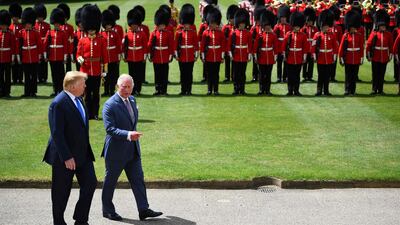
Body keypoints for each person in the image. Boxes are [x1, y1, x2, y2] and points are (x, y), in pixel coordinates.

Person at [101, 74, 162, 221]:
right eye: (124, 87)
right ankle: (107, 210)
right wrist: (128, 134)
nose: (127, 90)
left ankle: (143, 209)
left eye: (129, 87)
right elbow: (110, 129)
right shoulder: (110, 105)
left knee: (138, 179)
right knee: (110, 182)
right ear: (117, 86)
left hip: (133, 150)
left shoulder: (132, 100)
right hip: (116, 151)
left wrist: (131, 136)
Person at [43, 71, 97, 225]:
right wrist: (67, 156)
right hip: (64, 156)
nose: (85, 86)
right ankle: (58, 221)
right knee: (61, 192)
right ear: (73, 86)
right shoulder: (58, 104)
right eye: (82, 83)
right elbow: (57, 133)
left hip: (83, 153)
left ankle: (81, 219)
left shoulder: (79, 99)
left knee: (90, 183)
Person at [76, 4, 108, 120]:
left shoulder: (101, 40)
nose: (91, 30)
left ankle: (95, 113)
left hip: (96, 71)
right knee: (86, 94)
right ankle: (88, 113)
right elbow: (78, 54)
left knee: (96, 94)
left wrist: (104, 71)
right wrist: (80, 59)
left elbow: (105, 57)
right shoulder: (82, 40)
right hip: (85, 70)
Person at [366, 9, 393, 95]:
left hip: (384, 56)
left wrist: (390, 55)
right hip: (376, 56)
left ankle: (380, 90)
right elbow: (369, 45)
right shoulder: (374, 34)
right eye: (382, 26)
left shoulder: (388, 34)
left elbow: (390, 46)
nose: (383, 28)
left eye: (384, 26)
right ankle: (374, 89)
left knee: (382, 74)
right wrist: (368, 55)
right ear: (379, 26)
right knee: (375, 74)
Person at [312, 9, 338, 96]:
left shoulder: (332, 35)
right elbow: (313, 47)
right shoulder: (317, 35)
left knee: (327, 76)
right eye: (325, 27)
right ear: (321, 26)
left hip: (329, 58)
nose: (326, 28)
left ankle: (326, 91)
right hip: (320, 58)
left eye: (327, 27)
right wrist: (314, 56)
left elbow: (335, 47)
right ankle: (319, 91)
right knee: (320, 76)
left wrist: (334, 56)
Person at [148, 8, 174, 96]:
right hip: (156, 56)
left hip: (165, 55)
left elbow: (171, 45)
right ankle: (157, 89)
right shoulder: (154, 33)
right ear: (157, 24)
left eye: (163, 25)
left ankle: (164, 90)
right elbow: (150, 44)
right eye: (160, 25)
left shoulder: (168, 33)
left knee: (164, 74)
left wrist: (171, 55)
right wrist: (149, 55)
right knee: (157, 74)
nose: (162, 26)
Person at [283, 11, 309, 96]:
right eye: (295, 26)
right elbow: (284, 46)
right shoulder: (288, 34)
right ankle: (290, 90)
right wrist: (284, 56)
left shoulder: (303, 35)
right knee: (290, 75)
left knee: (297, 76)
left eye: (298, 27)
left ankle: (296, 90)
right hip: (290, 57)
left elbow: (305, 48)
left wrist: (304, 57)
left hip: (298, 57)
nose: (296, 28)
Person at [338, 9, 364, 96]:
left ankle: (353, 90)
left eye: (354, 28)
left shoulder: (359, 36)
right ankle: (347, 90)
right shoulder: (345, 36)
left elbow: (361, 47)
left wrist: (361, 57)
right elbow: (341, 47)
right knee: (348, 75)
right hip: (348, 58)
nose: (353, 29)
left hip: (356, 58)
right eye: (352, 28)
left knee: (354, 75)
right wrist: (341, 57)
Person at [19, 7, 43, 98]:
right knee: (27, 76)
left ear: (32, 23)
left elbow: (39, 45)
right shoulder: (21, 32)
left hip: (34, 57)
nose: (28, 25)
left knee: (33, 76)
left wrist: (40, 56)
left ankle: (33, 92)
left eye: (29, 24)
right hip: (25, 57)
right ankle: (27, 92)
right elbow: (20, 46)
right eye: (26, 24)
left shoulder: (35, 33)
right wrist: (20, 57)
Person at [253, 9, 279, 95]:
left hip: (270, 58)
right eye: (266, 26)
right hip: (261, 57)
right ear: (263, 26)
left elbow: (275, 48)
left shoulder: (273, 36)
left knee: (268, 75)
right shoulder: (260, 36)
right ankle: (261, 90)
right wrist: (256, 58)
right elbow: (255, 48)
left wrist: (275, 58)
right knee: (261, 75)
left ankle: (267, 90)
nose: (267, 27)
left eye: (269, 26)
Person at [123, 8, 148, 96]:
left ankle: (138, 89)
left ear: (138, 25)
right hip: (130, 57)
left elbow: (145, 47)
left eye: (135, 25)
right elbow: (124, 47)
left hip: (139, 57)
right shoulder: (127, 34)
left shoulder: (142, 34)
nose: (134, 26)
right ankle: (132, 90)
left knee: (139, 75)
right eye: (132, 25)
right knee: (131, 75)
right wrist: (124, 56)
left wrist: (145, 57)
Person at [201, 7, 225, 95]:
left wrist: (222, 57)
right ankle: (209, 90)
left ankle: (216, 90)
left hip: (217, 56)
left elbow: (222, 46)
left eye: (214, 23)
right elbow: (203, 46)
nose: (212, 25)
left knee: (216, 74)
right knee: (209, 74)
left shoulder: (220, 33)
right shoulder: (205, 33)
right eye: (211, 23)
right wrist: (203, 57)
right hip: (209, 56)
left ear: (217, 23)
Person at [175, 3, 198, 95]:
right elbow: (176, 45)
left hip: (190, 56)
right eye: (186, 24)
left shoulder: (192, 32)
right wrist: (176, 55)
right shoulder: (179, 32)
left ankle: (189, 90)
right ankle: (183, 89)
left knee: (189, 73)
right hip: (182, 56)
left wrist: (196, 55)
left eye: (188, 24)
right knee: (183, 73)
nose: (187, 26)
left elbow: (196, 45)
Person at [44, 8, 68, 97]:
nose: (57, 25)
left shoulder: (63, 33)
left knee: (61, 74)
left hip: (60, 57)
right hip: (52, 57)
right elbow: (45, 45)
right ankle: (55, 90)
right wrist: (46, 56)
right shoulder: (49, 32)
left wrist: (65, 58)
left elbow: (65, 46)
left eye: (58, 24)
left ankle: (61, 90)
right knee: (54, 75)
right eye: (55, 24)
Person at [229, 8, 252, 95]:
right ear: (238, 24)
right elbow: (229, 45)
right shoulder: (233, 33)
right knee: (235, 74)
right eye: (241, 24)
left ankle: (242, 89)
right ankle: (236, 89)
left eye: (243, 23)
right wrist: (231, 54)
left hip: (244, 56)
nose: (242, 25)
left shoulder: (248, 33)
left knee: (242, 74)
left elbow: (249, 45)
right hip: (236, 55)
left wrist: (249, 55)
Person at [100, 9, 121, 97]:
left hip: (113, 58)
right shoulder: (101, 34)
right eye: (107, 25)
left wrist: (119, 57)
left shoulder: (115, 34)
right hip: (105, 59)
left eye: (110, 25)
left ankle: (112, 90)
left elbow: (118, 46)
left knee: (113, 75)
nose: (108, 26)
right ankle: (106, 90)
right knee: (105, 75)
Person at [0, 10, 16, 98]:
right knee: (0, 76)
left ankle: (7, 92)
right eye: (1, 25)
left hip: (7, 58)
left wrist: (13, 59)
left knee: (7, 76)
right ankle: (1, 91)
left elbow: (13, 48)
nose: (3, 27)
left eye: (4, 25)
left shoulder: (11, 34)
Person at [274, 5, 291, 83]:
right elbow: (274, 38)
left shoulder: (289, 26)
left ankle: (285, 77)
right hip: (279, 47)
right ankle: (279, 77)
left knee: (286, 64)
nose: (283, 19)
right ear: (280, 18)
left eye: (284, 18)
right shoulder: (277, 26)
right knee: (279, 64)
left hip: (286, 48)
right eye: (282, 18)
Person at [34, 3, 50, 84]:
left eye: (41, 16)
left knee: (44, 63)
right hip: (37, 47)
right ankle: (38, 77)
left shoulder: (47, 25)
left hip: (44, 47)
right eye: (39, 16)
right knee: (38, 63)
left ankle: (44, 77)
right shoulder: (34, 25)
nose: (40, 18)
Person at [222, 5, 238, 83]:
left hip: (234, 48)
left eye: (233, 19)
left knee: (235, 63)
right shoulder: (226, 27)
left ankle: (233, 76)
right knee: (227, 63)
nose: (232, 20)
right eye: (231, 19)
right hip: (226, 48)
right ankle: (227, 76)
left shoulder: (236, 28)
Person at [301, 7, 317, 82]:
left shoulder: (315, 28)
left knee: (311, 63)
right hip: (306, 47)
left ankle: (310, 76)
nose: (310, 22)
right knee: (305, 62)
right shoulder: (304, 28)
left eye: (311, 21)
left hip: (312, 48)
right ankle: (304, 76)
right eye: (309, 21)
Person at [57, 3, 74, 73]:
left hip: (68, 47)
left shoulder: (70, 27)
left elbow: (72, 38)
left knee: (68, 64)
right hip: (61, 47)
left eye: (65, 18)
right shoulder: (59, 27)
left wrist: (70, 48)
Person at [9, 3, 23, 85]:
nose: (15, 18)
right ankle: (14, 79)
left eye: (16, 17)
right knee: (13, 64)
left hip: (20, 48)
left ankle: (20, 79)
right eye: (13, 17)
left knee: (20, 64)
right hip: (12, 48)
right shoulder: (10, 27)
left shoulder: (21, 26)